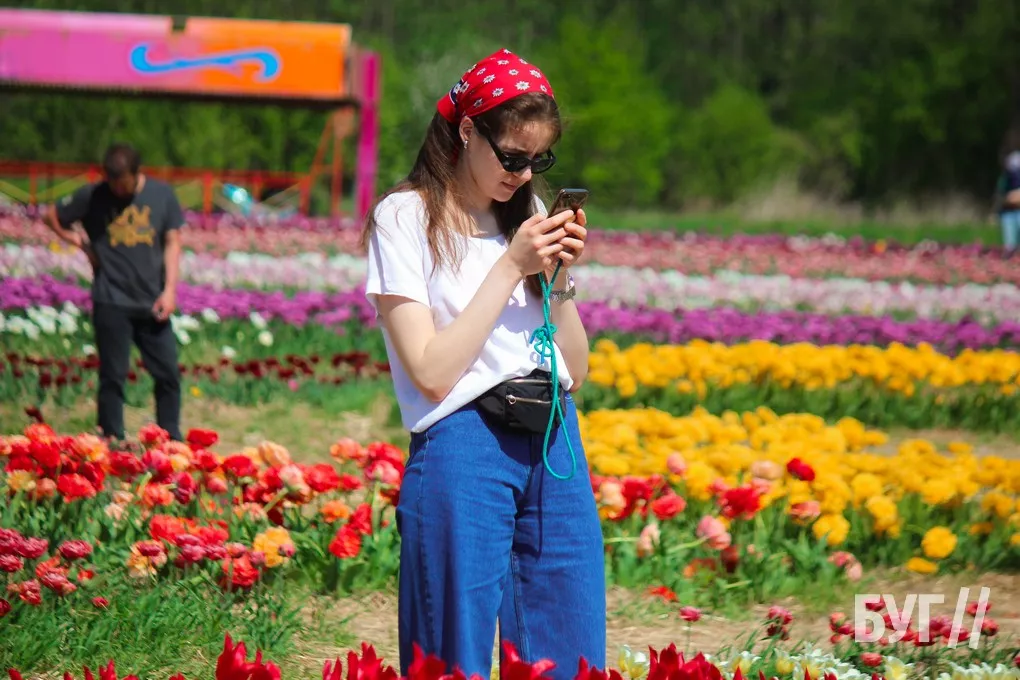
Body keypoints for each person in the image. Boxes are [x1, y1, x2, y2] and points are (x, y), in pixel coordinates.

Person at [361, 49, 606, 679]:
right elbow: (430, 371)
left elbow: (576, 368)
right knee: (453, 649)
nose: (523, 176)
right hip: (464, 437)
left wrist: (556, 279)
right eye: (512, 157)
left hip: (555, 436)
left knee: (569, 642)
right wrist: (509, 267)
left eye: (539, 161)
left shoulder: (525, 216)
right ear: (468, 130)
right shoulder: (404, 217)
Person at [45, 142, 185, 442]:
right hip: (111, 299)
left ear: (137, 173)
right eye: (114, 185)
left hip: (153, 299)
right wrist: (81, 244)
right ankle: (111, 439)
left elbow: (173, 242)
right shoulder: (93, 195)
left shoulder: (162, 195)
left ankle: (170, 439)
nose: (119, 191)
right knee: (113, 375)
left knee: (168, 374)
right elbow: (52, 215)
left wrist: (170, 290)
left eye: (125, 185)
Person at [994, 150, 1020, 254]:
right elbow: (1000, 195)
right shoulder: (1006, 178)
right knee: (1010, 242)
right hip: (1008, 212)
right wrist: (1009, 198)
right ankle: (1011, 251)